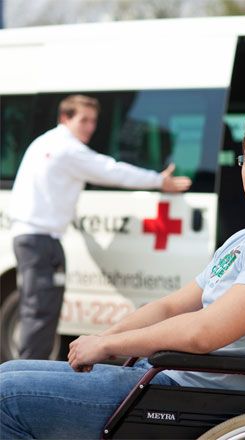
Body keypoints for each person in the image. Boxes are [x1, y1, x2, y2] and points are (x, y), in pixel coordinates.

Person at [0, 106, 245, 439]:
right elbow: (171, 307)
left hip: (189, 394)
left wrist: (110, 346)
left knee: (6, 396)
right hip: (169, 377)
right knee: (9, 371)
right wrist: (103, 340)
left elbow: (204, 332)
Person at [9, 94, 192, 360]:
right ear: (65, 118)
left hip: (36, 238)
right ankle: (25, 375)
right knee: (40, 312)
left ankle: (29, 369)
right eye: (83, 120)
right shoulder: (67, 148)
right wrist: (158, 180)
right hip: (40, 240)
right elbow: (110, 170)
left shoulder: (46, 142)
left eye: (93, 121)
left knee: (41, 310)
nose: (90, 127)